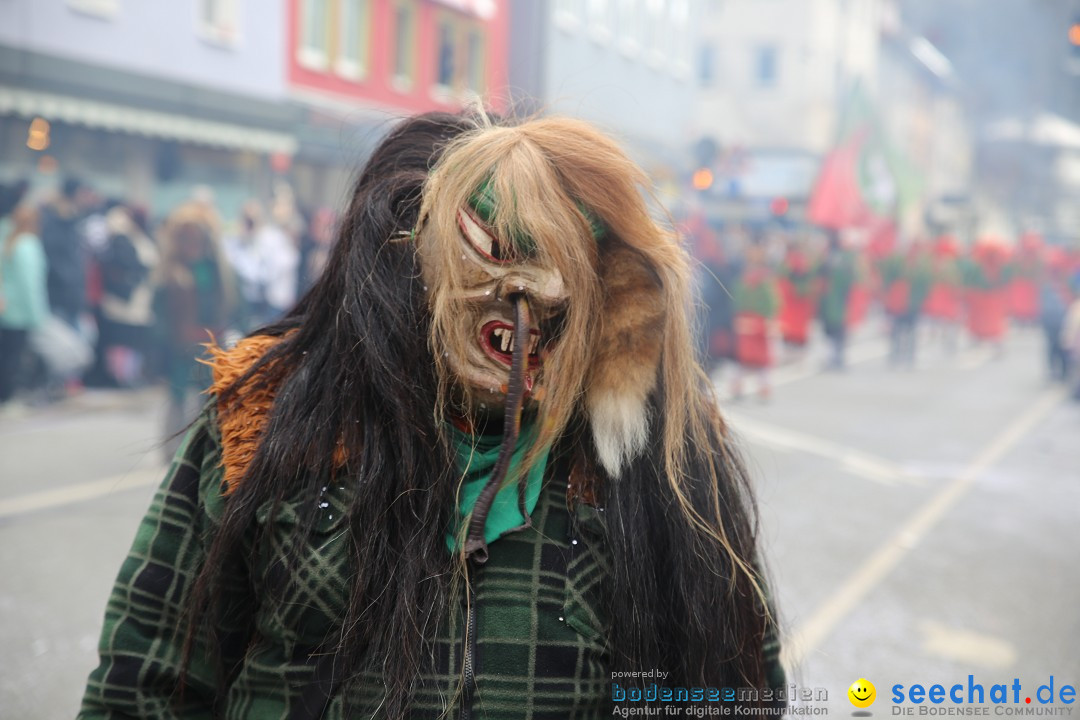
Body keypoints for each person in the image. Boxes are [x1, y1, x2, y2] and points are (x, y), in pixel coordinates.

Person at [79, 112, 785, 719]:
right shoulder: (269, 419)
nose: (522, 303)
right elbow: (147, 683)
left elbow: (737, 683)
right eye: (493, 261)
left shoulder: (660, 454)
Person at [154, 201, 235, 457]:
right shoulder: (170, 273)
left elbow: (227, 303)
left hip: (211, 340)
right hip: (181, 345)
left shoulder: (217, 269)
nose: (192, 245)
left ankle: (204, 448)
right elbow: (160, 316)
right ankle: (173, 451)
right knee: (178, 395)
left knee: (209, 396)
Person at [0, 204, 49, 410]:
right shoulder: (28, 244)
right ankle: (8, 398)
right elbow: (30, 284)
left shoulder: (8, 241)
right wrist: (38, 316)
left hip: (6, 309)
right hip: (21, 310)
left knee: (6, 356)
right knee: (15, 358)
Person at [731, 238, 781, 400]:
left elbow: (772, 301)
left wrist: (767, 318)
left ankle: (764, 387)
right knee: (741, 357)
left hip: (759, 321)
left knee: (761, 359)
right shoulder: (741, 274)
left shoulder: (766, 277)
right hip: (744, 319)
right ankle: (738, 386)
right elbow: (737, 297)